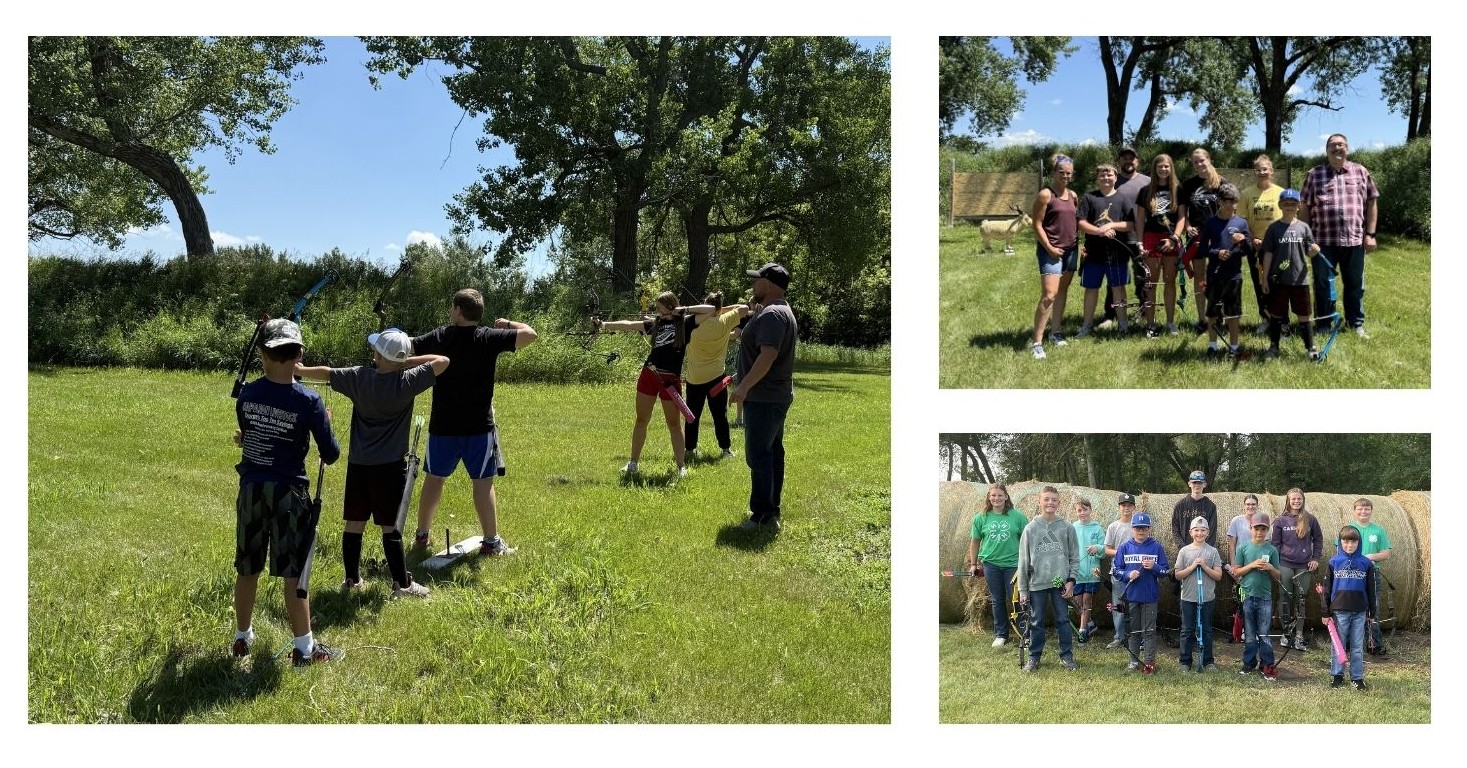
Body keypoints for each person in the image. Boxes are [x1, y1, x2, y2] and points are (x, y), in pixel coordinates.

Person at [294, 328, 449, 598]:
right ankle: (402, 584)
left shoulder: (359, 377)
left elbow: (326, 372)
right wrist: (402, 363)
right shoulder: (407, 381)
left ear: (378, 354)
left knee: (355, 522)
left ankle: (352, 580)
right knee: (390, 526)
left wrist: (300, 368)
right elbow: (442, 361)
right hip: (390, 467)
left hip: (359, 464)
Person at [231, 318, 343, 666]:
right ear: (299, 355)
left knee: (248, 567)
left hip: (252, 489)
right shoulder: (308, 402)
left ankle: (241, 638)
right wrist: (325, 421)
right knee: (293, 570)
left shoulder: (247, 394)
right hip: (289, 494)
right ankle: (305, 649)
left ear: (263, 354)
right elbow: (332, 453)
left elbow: (249, 434)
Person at [410, 288, 537, 556]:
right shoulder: (489, 337)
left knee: (434, 480)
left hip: (443, 426)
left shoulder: (441, 336)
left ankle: (422, 536)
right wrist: (508, 324)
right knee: (482, 483)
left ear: (458, 310)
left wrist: (386, 341)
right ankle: (491, 542)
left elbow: (408, 345)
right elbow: (530, 334)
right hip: (478, 427)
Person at [597, 291, 716, 477]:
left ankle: (681, 467)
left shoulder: (685, 323)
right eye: (657, 309)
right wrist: (603, 324)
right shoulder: (656, 324)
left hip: (670, 379)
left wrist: (684, 309)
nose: (658, 312)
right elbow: (629, 325)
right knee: (641, 420)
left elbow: (711, 310)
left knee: (674, 424)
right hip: (650, 374)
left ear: (672, 307)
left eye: (661, 308)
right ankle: (633, 463)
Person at [732, 263, 797, 531]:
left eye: (757, 280)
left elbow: (768, 355)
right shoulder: (781, 311)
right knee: (772, 453)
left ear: (769, 284)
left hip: (764, 397)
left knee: (758, 455)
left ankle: (761, 514)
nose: (753, 285)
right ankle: (771, 508)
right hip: (774, 395)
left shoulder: (772, 315)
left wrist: (744, 386)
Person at [1300, 133, 1380, 338]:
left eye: (1341, 145)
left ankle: (1356, 323)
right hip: (1321, 241)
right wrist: (1306, 238)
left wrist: (1370, 234)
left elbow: (1372, 202)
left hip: (1353, 239)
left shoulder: (1361, 171)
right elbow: (1305, 207)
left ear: (1347, 148)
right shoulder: (1314, 174)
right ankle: (1324, 323)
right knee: (1322, 284)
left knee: (1355, 284)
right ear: (1326, 150)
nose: (1337, 148)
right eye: (1333, 145)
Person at [1016, 486, 1080, 672]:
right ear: (1039, 502)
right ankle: (1034, 657)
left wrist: (1071, 581)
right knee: (1036, 621)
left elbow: (1074, 557)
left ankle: (1066, 656)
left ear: (1059, 503)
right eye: (1046, 499)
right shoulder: (1030, 529)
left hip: (1059, 583)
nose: (1050, 503)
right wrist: (1022, 589)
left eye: (1054, 500)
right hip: (1036, 584)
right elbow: (1023, 560)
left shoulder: (1067, 527)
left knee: (1063, 620)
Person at [682, 291, 751, 461]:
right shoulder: (724, 321)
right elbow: (744, 308)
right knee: (720, 416)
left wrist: (709, 310)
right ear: (719, 308)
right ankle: (726, 450)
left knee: (692, 416)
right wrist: (720, 310)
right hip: (716, 378)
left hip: (695, 378)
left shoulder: (692, 324)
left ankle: (689, 449)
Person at [1259, 188, 1322, 360]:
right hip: (1278, 280)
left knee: (1304, 314)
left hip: (1300, 279)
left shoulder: (1304, 227)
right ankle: (1274, 346)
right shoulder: (1273, 228)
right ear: (1280, 205)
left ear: (1299, 206)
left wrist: (1314, 250)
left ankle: (1311, 347)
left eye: (1293, 204)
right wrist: (1264, 278)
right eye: (1286, 204)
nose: (1289, 206)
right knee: (1276, 314)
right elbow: (1268, 254)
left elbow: (1309, 252)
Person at [1074, 164, 1135, 338]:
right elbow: (1081, 223)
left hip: (1117, 253)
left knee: (1118, 288)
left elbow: (1130, 224)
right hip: (1093, 253)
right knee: (1091, 289)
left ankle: (1123, 325)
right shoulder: (1089, 197)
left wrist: (1111, 225)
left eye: (1109, 175)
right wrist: (1100, 231)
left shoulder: (1123, 198)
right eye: (1102, 175)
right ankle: (1087, 325)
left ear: (1116, 178)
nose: (1106, 178)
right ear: (1097, 178)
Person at [1028, 154, 1080, 359]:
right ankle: (1037, 342)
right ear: (1054, 173)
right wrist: (1049, 247)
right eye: (1062, 172)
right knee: (1049, 295)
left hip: (1071, 250)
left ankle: (1056, 332)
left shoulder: (1074, 196)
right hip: (1050, 251)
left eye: (1069, 173)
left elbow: (1073, 222)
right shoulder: (1045, 195)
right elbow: (1037, 224)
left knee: (1061, 291)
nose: (1065, 176)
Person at [966, 483, 1029, 647]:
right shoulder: (981, 518)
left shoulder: (1018, 517)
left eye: (1000, 495)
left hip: (1013, 565)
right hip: (991, 565)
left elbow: (1029, 540)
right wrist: (973, 564)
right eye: (993, 495)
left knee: (1017, 599)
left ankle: (1025, 633)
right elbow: (975, 542)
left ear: (1006, 497)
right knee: (997, 599)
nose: (996, 498)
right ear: (989, 497)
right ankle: (1001, 634)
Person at [1197, 182, 1254, 359]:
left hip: (1234, 275)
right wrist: (1217, 253)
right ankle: (1212, 345)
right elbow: (1202, 250)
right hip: (1214, 274)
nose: (1229, 205)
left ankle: (1234, 346)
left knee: (1233, 312)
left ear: (1237, 202)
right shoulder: (1211, 223)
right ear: (1219, 201)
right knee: (1212, 311)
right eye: (1225, 201)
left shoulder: (1242, 223)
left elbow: (1250, 251)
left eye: (1233, 201)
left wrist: (1243, 240)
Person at [1111, 511, 1170, 675]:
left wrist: (1155, 567)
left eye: (1144, 528)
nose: (1140, 531)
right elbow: (1115, 571)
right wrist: (1128, 575)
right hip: (1131, 596)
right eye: (1137, 528)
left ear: (1149, 528)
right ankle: (1133, 661)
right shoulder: (1125, 547)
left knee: (1149, 631)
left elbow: (1166, 571)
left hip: (1150, 596)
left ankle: (1149, 663)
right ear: (1132, 528)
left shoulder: (1156, 547)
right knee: (1134, 631)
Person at [1101, 146, 1151, 328]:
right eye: (1124, 158)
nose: (1128, 161)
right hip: (1117, 237)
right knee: (1114, 277)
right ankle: (1111, 313)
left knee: (1143, 276)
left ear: (1137, 161)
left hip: (1142, 236)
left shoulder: (1148, 181)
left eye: (1132, 158)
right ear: (1119, 161)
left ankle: (1144, 311)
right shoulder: (1112, 181)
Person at [1323, 525, 1376, 690]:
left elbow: (1371, 590)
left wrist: (1372, 612)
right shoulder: (1333, 562)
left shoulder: (1366, 563)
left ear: (1358, 543)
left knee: (1357, 647)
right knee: (1338, 645)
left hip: (1360, 611)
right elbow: (1327, 588)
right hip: (1339, 611)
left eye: (1353, 542)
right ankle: (1337, 676)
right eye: (1345, 541)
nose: (1349, 545)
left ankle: (1357, 678)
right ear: (1340, 542)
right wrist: (1325, 612)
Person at [1134, 154, 1182, 336]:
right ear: (1154, 169)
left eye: (1166, 167)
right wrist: (1139, 242)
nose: (1163, 169)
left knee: (1169, 281)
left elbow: (1183, 217)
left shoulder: (1179, 190)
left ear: (1171, 168)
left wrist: (1175, 238)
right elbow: (1139, 220)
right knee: (1151, 283)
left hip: (1171, 239)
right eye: (1160, 166)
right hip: (1150, 239)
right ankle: (1151, 324)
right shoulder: (1145, 191)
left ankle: (1170, 323)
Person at [1176, 147, 1224, 327]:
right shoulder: (1187, 185)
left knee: (1218, 276)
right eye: (1195, 162)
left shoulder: (1222, 183)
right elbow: (1182, 213)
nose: (1199, 164)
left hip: (1217, 237)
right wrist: (1187, 227)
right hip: (1196, 238)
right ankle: (1202, 318)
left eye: (1202, 160)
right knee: (1200, 277)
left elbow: (1229, 212)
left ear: (1209, 160)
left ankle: (1218, 316)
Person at [1271, 487, 1323, 650]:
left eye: (1299, 499)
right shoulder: (1280, 521)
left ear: (1303, 500)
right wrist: (1275, 564)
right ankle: (1286, 633)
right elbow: (1275, 545)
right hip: (1285, 564)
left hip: (1303, 565)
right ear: (1288, 500)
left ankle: (1299, 635)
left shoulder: (1311, 519)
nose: (1296, 501)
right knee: (1285, 597)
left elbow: (1318, 540)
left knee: (1301, 599)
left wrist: (1315, 558)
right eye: (1293, 499)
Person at [1234, 511, 1282, 680]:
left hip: (1265, 598)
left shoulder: (1272, 550)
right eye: (1256, 528)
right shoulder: (1243, 548)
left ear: (1267, 530)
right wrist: (1252, 565)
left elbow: (1278, 576)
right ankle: (1248, 663)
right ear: (1251, 528)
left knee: (1264, 633)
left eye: (1263, 529)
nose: (1259, 532)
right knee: (1249, 634)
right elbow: (1236, 571)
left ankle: (1267, 665)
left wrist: (1270, 568)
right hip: (1247, 596)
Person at [1240, 154, 1284, 334]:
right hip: (1256, 246)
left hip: (1278, 246)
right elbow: (1242, 221)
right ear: (1254, 172)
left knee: (1279, 284)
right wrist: (1252, 239)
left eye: (1265, 169)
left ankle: (1282, 321)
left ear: (1271, 171)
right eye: (1258, 170)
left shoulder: (1280, 192)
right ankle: (1265, 318)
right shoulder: (1246, 194)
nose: (1262, 172)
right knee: (1260, 283)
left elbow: (1286, 220)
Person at [1174, 516, 1223, 673]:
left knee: (1207, 630)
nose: (1199, 533)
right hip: (1188, 598)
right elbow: (1177, 575)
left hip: (1207, 598)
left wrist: (1205, 566)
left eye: (1203, 530)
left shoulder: (1212, 551)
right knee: (1187, 630)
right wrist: (1193, 566)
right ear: (1191, 532)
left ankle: (1208, 661)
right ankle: (1185, 662)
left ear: (1208, 532)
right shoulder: (1184, 551)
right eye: (1196, 530)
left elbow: (1218, 576)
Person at [1348, 498, 1393, 656]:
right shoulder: (1349, 528)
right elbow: (1341, 551)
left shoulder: (1378, 530)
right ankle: (1350, 644)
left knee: (1373, 609)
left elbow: (1386, 553)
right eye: (1360, 509)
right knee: (1350, 607)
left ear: (1371, 511)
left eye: (1366, 509)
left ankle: (1375, 644)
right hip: (1352, 574)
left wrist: (1369, 556)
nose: (1363, 512)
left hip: (1372, 574)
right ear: (1354, 511)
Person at [1224, 495, 1262, 643]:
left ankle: (1254, 630)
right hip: (1241, 565)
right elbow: (1232, 544)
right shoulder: (1237, 521)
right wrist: (1233, 564)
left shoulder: (1261, 520)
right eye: (1248, 504)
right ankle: (1243, 629)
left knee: (1257, 598)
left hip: (1257, 564)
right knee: (1243, 598)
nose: (1250, 506)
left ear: (1257, 505)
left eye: (1253, 504)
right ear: (1243, 505)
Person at [1103, 493, 1137, 648]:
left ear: (1134, 507)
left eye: (1129, 505)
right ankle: (1119, 636)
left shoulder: (1137, 525)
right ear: (1119, 507)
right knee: (1118, 605)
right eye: (1123, 505)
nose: (1126, 508)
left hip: (1136, 573)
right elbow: (1107, 550)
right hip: (1118, 572)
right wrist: (1122, 553)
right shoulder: (1113, 526)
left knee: (1136, 604)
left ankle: (1137, 637)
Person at [1072, 498, 1106, 643]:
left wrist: (1097, 548)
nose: (1082, 513)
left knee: (1087, 600)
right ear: (1076, 512)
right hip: (1077, 571)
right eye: (1079, 510)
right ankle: (1089, 623)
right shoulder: (1073, 527)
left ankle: (1082, 631)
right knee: (1077, 602)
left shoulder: (1097, 528)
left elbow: (1104, 550)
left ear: (1091, 510)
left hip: (1093, 571)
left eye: (1085, 510)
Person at [1171, 470, 1218, 549]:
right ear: (1189, 484)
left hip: (1205, 551)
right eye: (1194, 482)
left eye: (1200, 483)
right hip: (1184, 550)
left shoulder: (1210, 506)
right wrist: (1184, 549)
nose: (1197, 485)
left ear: (1204, 485)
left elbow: (1212, 531)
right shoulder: (1180, 505)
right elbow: (1175, 530)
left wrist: (1204, 549)